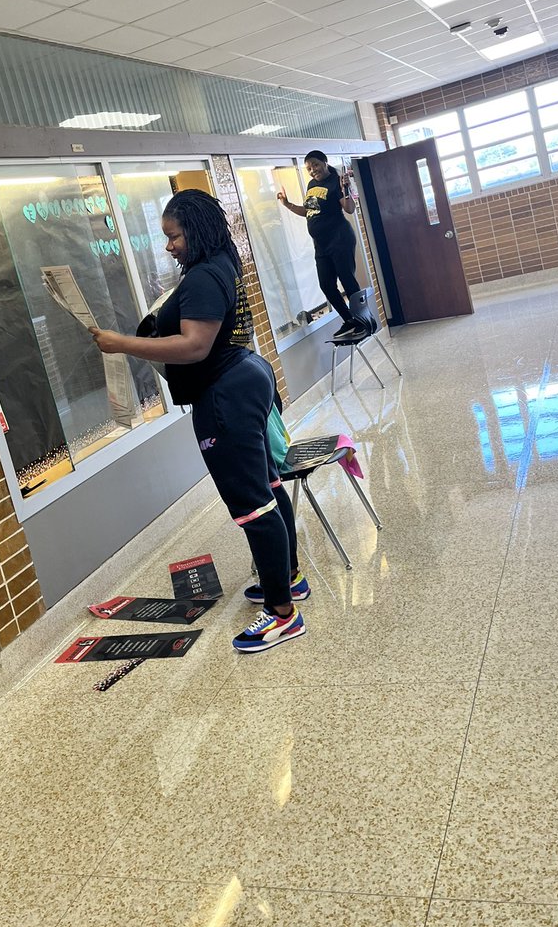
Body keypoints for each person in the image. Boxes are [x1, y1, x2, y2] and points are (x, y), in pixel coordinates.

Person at [89, 189, 309, 654]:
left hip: (225, 392)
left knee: (252, 504)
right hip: (243, 376)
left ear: (197, 229)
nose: (169, 246)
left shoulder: (205, 276)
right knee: (267, 486)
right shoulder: (219, 263)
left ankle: (283, 614)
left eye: (174, 236)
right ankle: (287, 579)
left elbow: (194, 346)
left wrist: (123, 343)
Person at [277, 150, 367, 339]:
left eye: (316, 165)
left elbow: (350, 209)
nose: (312, 170)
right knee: (326, 285)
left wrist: (347, 190)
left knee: (347, 280)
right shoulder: (311, 184)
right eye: (309, 168)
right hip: (322, 245)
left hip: (340, 239)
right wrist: (287, 204)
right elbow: (309, 211)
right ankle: (350, 320)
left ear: (325, 163)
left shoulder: (336, 181)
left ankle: (363, 321)